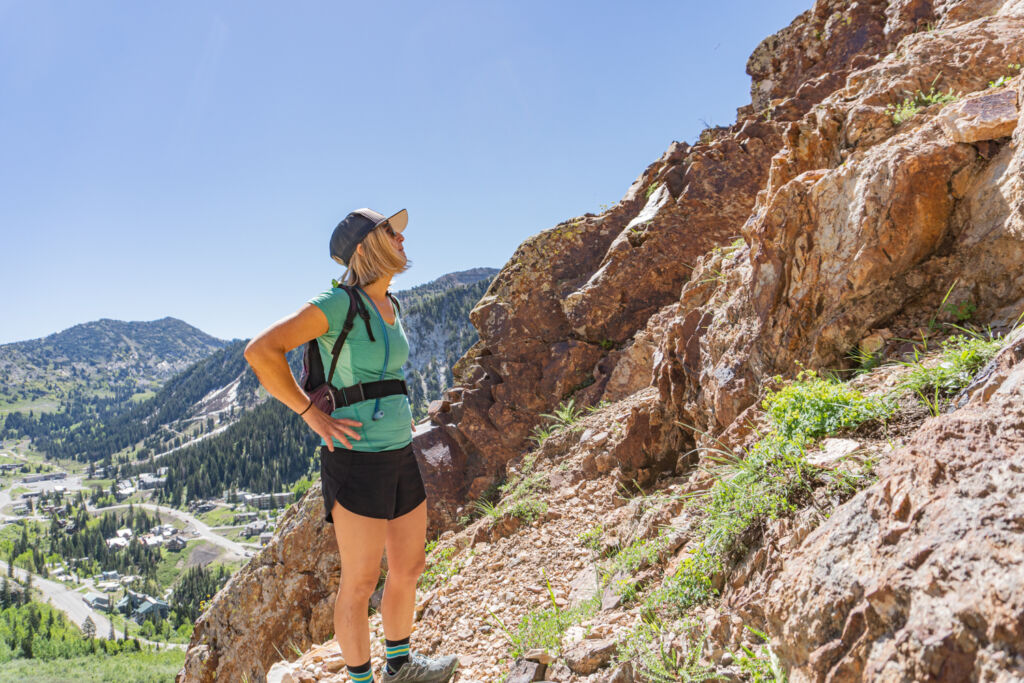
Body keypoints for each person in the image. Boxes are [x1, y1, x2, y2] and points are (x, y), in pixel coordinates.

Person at [244, 208, 459, 683]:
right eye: (390, 232)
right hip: (356, 459)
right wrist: (310, 414)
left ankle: (400, 666)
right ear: (364, 248)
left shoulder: (391, 305)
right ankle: (362, 679)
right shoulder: (337, 303)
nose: (401, 238)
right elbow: (261, 351)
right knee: (360, 581)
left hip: (399, 451)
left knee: (410, 564)